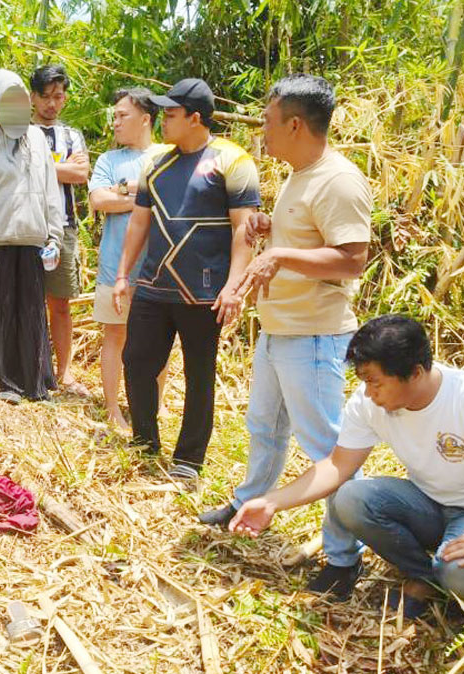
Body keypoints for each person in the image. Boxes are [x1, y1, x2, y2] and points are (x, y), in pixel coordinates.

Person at [229, 315, 464, 618]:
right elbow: (338, 465)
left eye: (375, 381)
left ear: (415, 373)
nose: (369, 393)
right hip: (427, 503)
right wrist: (272, 501)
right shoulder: (370, 403)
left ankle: (462, 577)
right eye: (364, 381)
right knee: (351, 498)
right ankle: (425, 576)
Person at [199, 74, 373, 598]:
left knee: (327, 450)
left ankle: (343, 558)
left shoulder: (338, 180)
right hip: (280, 329)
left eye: (268, 121)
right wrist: (271, 232)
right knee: (264, 427)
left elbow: (352, 259)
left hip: (314, 335)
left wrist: (279, 253)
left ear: (296, 124)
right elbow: (310, 242)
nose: (263, 131)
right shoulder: (302, 175)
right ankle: (248, 500)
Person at [112, 78, 261, 486]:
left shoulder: (232, 161)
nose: (163, 121)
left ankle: (189, 459)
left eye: (171, 114)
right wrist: (123, 274)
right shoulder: (156, 163)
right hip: (154, 285)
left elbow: (243, 228)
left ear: (195, 118)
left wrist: (234, 286)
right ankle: (144, 442)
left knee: (199, 373)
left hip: (205, 292)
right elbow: (139, 222)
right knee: (137, 362)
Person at [0, 69, 64, 402]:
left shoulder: (36, 139)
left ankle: (35, 383)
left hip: (33, 240)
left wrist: (54, 236)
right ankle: (4, 384)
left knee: (32, 313)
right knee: (1, 314)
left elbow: (50, 190)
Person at [87, 87, 168, 430]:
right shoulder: (108, 160)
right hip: (114, 265)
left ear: (146, 119)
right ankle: (112, 410)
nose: (116, 122)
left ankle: (156, 406)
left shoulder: (167, 155)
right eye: (115, 116)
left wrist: (122, 191)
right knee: (115, 335)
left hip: (159, 266)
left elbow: (171, 198)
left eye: (123, 116)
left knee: (159, 339)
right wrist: (140, 194)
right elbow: (98, 200)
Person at [30, 64, 90, 397]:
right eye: (46, 96)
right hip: (27, 227)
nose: (52, 103)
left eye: (58, 96)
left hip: (63, 226)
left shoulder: (71, 135)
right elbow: (21, 172)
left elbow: (80, 175)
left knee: (61, 302)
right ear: (32, 97)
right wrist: (61, 167)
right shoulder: (21, 132)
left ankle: (64, 373)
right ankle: (33, 368)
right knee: (29, 301)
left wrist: (43, 168)